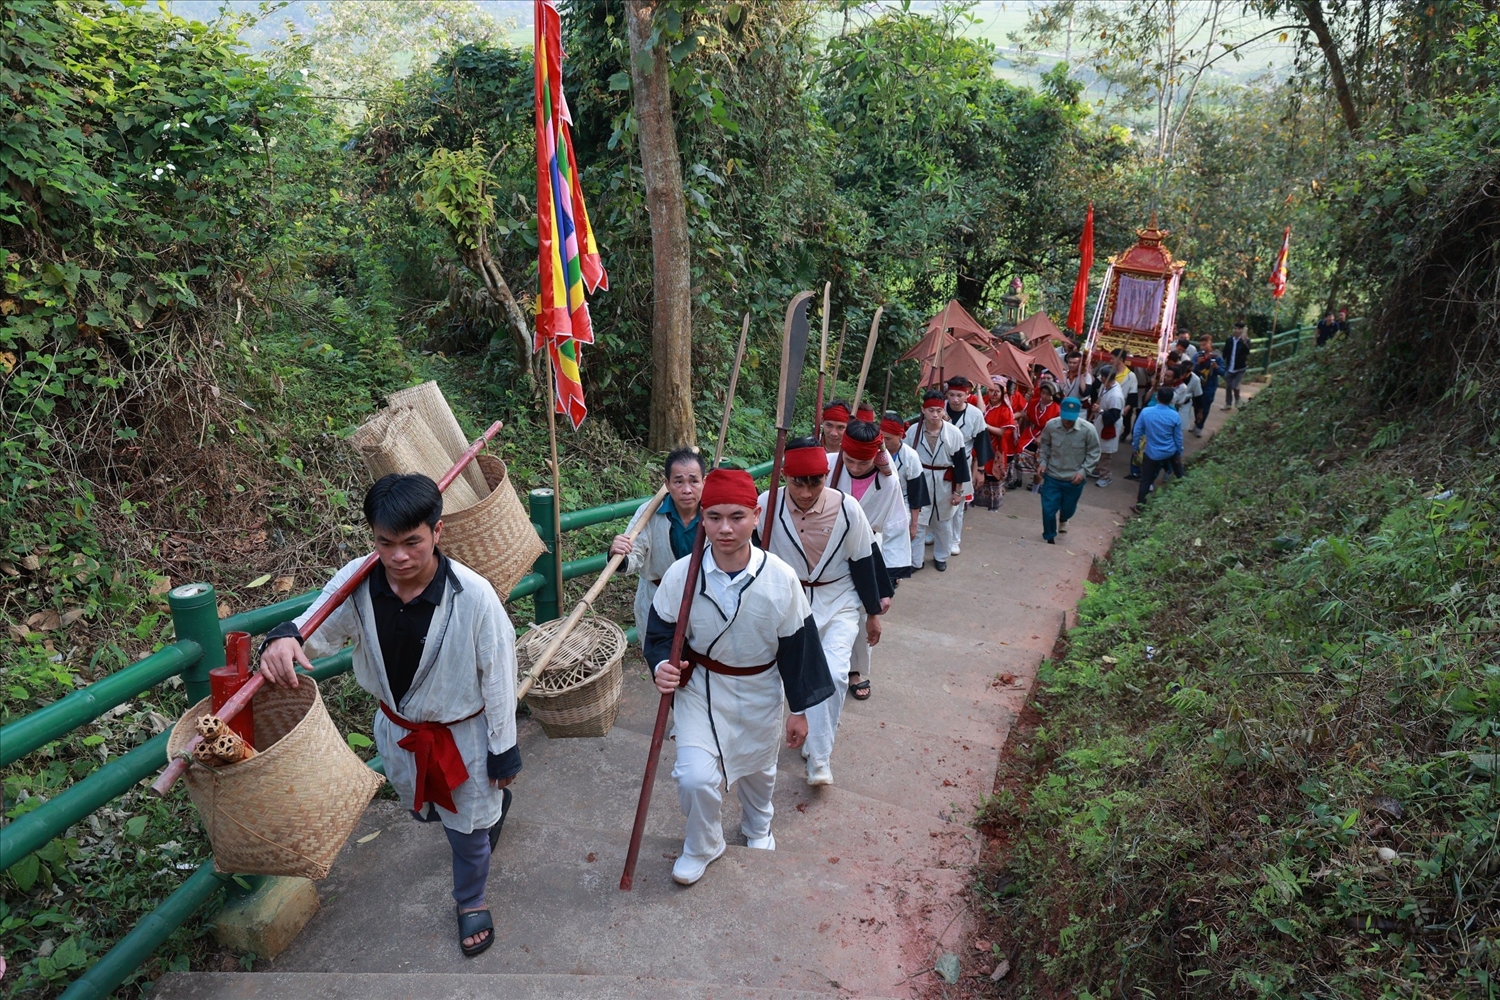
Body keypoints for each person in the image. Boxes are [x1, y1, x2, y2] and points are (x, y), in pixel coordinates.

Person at [259, 474, 519, 957]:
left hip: (461, 736)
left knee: (466, 833)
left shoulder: (474, 596)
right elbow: (314, 629)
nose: (398, 556)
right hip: (400, 732)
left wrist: (503, 752)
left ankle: (471, 900)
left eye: (412, 542)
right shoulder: (359, 579)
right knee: (430, 815)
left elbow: (500, 676)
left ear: (437, 532)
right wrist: (283, 637)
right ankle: (489, 817)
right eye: (386, 542)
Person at [646, 468, 833, 885]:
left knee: (759, 771)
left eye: (736, 517)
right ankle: (702, 844)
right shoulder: (682, 575)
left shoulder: (780, 578)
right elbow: (658, 634)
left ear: (755, 515)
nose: (725, 528)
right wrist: (662, 667)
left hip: (759, 687)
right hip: (701, 689)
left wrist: (799, 710)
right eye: (713, 517)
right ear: (704, 518)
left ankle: (757, 827)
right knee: (694, 777)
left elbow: (798, 649)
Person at [758, 440, 884, 787]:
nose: (806, 490)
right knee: (792, 675)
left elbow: (863, 560)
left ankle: (819, 758)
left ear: (826, 477)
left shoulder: (848, 509)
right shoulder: (766, 506)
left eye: (815, 481)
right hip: (790, 600)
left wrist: (873, 612)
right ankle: (803, 731)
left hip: (838, 597)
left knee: (836, 673)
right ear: (785, 476)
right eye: (798, 481)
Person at [831, 416, 902, 703]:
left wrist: (887, 584)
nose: (856, 467)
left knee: (863, 609)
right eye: (850, 460)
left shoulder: (888, 482)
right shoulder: (829, 465)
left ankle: (856, 671)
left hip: (867, 548)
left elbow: (895, 527)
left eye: (864, 462)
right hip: (825, 546)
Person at [609, 447, 704, 651]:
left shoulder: (714, 513)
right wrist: (618, 554)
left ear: (704, 482)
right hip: (658, 598)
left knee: (702, 665)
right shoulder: (649, 513)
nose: (687, 489)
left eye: (694, 481)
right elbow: (632, 556)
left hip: (705, 599)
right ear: (667, 484)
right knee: (661, 665)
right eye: (678, 481)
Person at [905, 391, 968, 571]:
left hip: (944, 481)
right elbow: (906, 458)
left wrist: (958, 491)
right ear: (923, 410)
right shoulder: (913, 432)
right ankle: (915, 560)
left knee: (943, 522)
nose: (935, 415)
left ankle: (941, 556)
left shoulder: (953, 433)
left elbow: (961, 465)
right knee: (919, 521)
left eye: (939, 411)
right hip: (920, 479)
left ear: (943, 411)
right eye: (931, 410)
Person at [1036, 397, 1100, 544]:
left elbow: (1094, 453)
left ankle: (1064, 518)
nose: (1067, 421)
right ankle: (1049, 536)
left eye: (1071, 419)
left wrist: (1083, 471)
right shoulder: (1051, 426)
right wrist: (1043, 463)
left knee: (1068, 508)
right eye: (1065, 418)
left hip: (1073, 478)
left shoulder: (1088, 430)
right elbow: (1045, 445)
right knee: (1048, 509)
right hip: (1053, 475)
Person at [943, 376, 989, 556]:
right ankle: (932, 532)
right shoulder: (939, 409)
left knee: (958, 504)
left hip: (963, 462)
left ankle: (955, 540)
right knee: (934, 500)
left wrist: (980, 469)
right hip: (938, 462)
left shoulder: (975, 414)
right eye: (951, 395)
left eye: (959, 395)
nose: (955, 399)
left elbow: (981, 443)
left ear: (967, 395)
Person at [881, 411, 928, 566]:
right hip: (881, 499)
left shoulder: (910, 457)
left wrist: (914, 524)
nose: (883, 442)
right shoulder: (876, 451)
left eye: (888, 438)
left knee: (900, 535)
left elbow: (916, 494)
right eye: (881, 437)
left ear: (900, 436)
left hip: (904, 500)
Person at [1132, 385, 1185, 509]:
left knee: (1146, 479)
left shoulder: (1146, 412)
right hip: (1170, 450)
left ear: (1157, 397)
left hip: (1152, 452)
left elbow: (1137, 431)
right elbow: (1178, 437)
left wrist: (1136, 448)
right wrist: (1179, 452)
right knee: (1180, 474)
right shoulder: (1175, 415)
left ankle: (1140, 506)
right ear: (1171, 400)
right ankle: (1186, 496)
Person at [1092, 365, 1124, 488]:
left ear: (1105, 378)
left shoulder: (1115, 395)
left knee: (1105, 453)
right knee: (1097, 448)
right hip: (1101, 421)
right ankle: (1097, 469)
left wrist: (1100, 410)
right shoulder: (1106, 388)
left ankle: (1105, 476)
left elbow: (1113, 416)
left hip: (1109, 425)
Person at [1192, 338, 1223, 435]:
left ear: (1210, 344)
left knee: (1205, 406)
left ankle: (1200, 427)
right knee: (1196, 406)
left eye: (1205, 344)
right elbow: (1190, 369)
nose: (1203, 347)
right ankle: (1197, 422)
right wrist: (1197, 363)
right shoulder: (1197, 356)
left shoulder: (1217, 357)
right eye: (1201, 345)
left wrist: (1216, 367)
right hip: (1197, 385)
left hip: (1209, 386)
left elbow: (1223, 372)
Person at [1222, 322, 1252, 409]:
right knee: (1228, 387)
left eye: (1239, 329)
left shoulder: (1246, 341)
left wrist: (1244, 342)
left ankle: (1238, 400)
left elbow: (1247, 352)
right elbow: (1225, 352)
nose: (1237, 331)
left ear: (1243, 330)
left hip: (1240, 368)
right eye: (1235, 328)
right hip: (1230, 367)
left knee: (1235, 386)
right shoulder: (1229, 340)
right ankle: (1228, 403)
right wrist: (1222, 361)